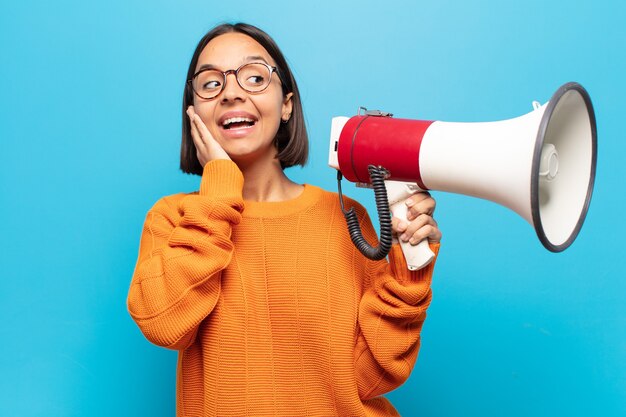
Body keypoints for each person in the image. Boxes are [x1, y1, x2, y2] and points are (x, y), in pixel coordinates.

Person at [127, 22, 442, 417]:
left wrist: (407, 272)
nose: (232, 92)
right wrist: (219, 190)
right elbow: (164, 323)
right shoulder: (174, 218)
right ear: (193, 113)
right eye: (210, 85)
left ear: (287, 104)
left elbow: (370, 377)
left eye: (255, 77)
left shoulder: (345, 219)